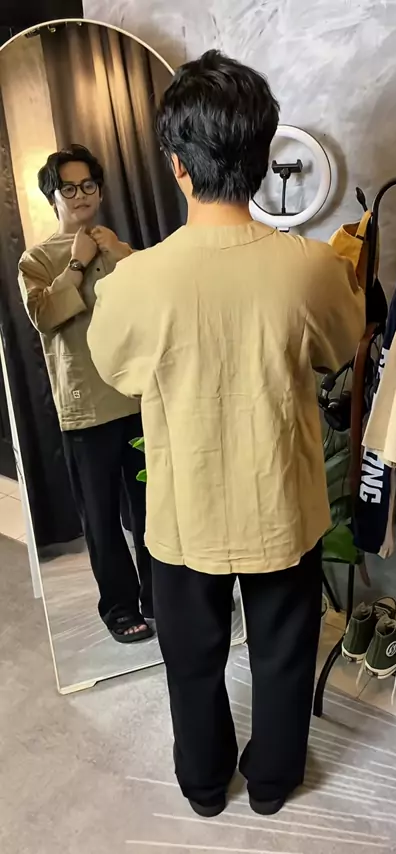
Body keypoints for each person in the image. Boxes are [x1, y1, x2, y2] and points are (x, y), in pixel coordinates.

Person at [88, 51, 365, 815]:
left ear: (177, 165)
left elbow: (115, 372)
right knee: (283, 654)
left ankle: (204, 785)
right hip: (283, 506)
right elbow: (340, 347)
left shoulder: (134, 281)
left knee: (190, 661)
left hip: (186, 513)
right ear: (263, 155)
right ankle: (273, 782)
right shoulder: (312, 269)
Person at [18, 144, 153, 643]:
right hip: (84, 408)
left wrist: (120, 253)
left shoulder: (120, 247)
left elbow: (158, 302)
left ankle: (159, 598)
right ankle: (119, 608)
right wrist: (76, 263)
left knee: (152, 511)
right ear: (53, 195)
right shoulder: (36, 259)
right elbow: (45, 316)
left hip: (137, 397)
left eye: (88, 185)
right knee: (100, 519)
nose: (80, 195)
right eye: (68, 187)